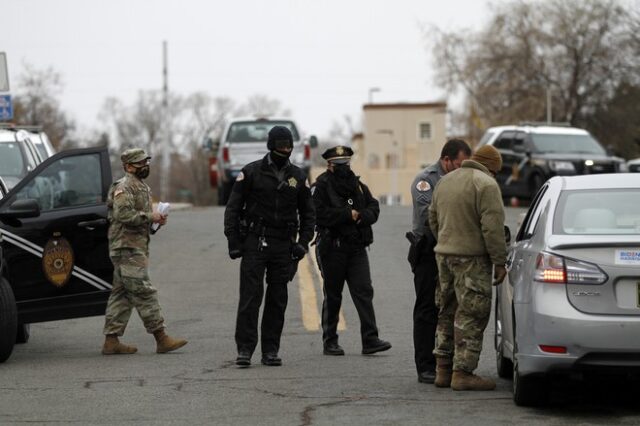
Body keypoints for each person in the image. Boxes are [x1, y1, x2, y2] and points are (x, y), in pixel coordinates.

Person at [224, 126, 315, 367]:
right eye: (280, 145)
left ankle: (270, 350)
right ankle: (244, 349)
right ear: (270, 145)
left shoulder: (298, 176)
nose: (284, 150)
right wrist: (233, 241)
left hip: (283, 245)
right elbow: (233, 208)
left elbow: (309, 215)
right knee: (250, 298)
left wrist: (303, 244)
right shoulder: (251, 172)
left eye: (288, 146)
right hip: (255, 240)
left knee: (278, 300)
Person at [428, 144, 507, 390]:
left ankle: (442, 369)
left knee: (446, 310)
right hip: (472, 259)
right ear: (492, 168)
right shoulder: (486, 185)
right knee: (472, 313)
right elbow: (492, 228)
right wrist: (499, 262)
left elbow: (432, 217)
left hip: (444, 256)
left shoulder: (445, 181)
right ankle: (462, 373)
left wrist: (446, 241)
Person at [102, 148, 188, 355]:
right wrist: (151, 217)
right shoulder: (124, 187)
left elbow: (140, 219)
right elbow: (124, 215)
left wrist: (156, 223)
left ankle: (111, 341)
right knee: (143, 290)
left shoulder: (142, 187)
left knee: (122, 295)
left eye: (146, 162)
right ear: (128, 166)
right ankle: (161, 337)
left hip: (135, 246)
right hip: (126, 248)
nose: (145, 166)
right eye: (140, 163)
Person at [312, 146, 391, 356]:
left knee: (364, 291)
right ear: (329, 165)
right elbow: (318, 214)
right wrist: (348, 215)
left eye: (345, 164)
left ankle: (370, 339)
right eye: (338, 165)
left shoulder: (357, 185)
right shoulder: (321, 186)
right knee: (333, 295)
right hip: (333, 249)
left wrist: (362, 216)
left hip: (356, 249)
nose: (343, 168)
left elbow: (374, 207)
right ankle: (330, 341)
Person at [408, 139, 471, 384]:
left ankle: (448, 362)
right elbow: (428, 217)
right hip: (428, 252)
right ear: (446, 160)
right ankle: (425, 366)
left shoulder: (463, 180)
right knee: (427, 309)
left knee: (451, 309)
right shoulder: (426, 180)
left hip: (452, 252)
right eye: (458, 164)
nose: (461, 170)